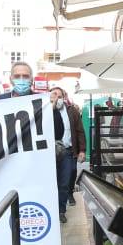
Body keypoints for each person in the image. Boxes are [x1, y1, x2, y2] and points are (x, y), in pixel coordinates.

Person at [0, 61, 41, 245]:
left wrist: (54, 108)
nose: (21, 79)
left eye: (25, 75)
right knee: (6, 221)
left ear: (31, 79)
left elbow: (59, 132)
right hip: (5, 172)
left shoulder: (41, 102)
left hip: (34, 171)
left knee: (34, 216)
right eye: (17, 75)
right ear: (10, 78)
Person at [48, 86, 85, 223]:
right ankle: (51, 209)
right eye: (53, 95)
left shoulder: (71, 111)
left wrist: (82, 150)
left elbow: (80, 131)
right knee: (52, 183)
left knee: (64, 182)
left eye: (59, 95)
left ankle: (61, 211)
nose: (56, 97)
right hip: (49, 153)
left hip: (68, 152)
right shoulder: (45, 110)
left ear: (64, 97)